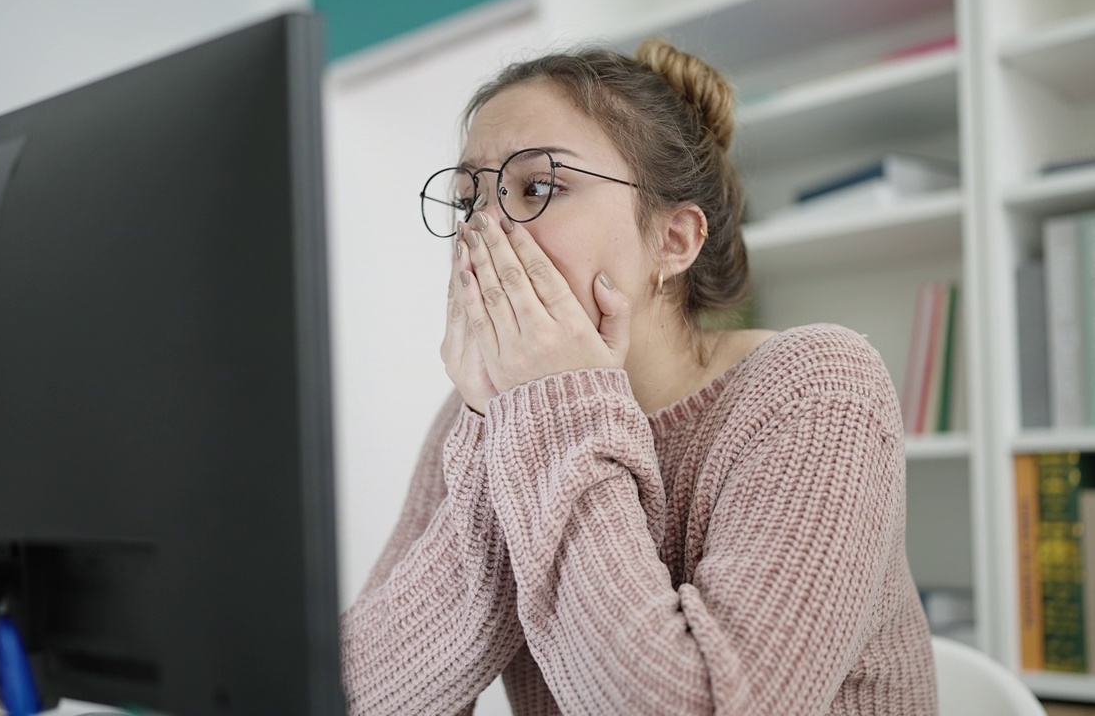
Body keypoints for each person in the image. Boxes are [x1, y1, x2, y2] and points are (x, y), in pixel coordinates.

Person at [340, 37, 937, 715]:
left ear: (673, 240)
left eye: (537, 187)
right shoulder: (475, 415)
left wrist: (561, 410)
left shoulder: (815, 391)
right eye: (469, 198)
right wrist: (496, 432)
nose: (486, 232)